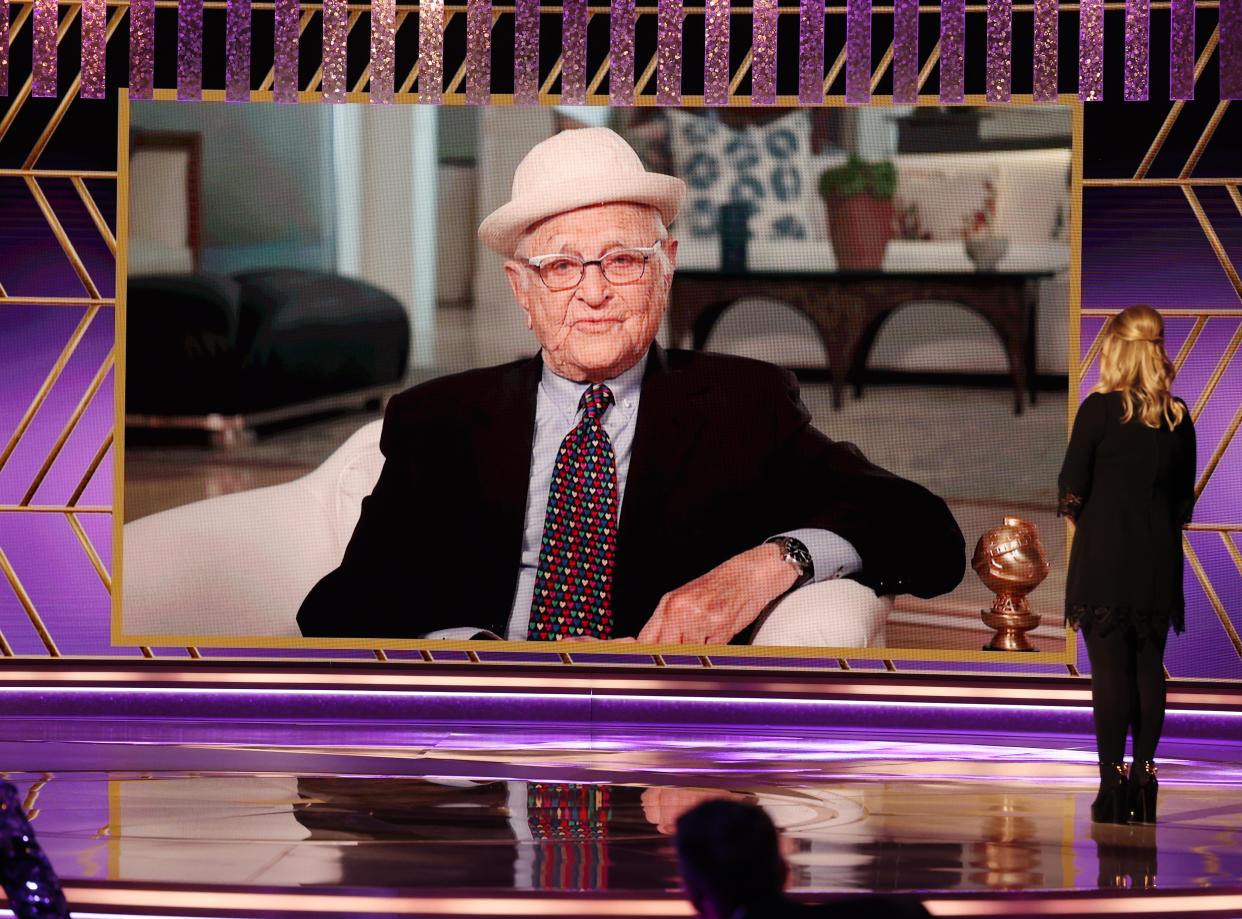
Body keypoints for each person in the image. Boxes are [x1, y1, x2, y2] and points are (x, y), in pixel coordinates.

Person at [297, 127, 965, 645]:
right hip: (476, 746)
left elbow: (923, 529)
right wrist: (487, 663)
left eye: (621, 259)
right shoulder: (437, 417)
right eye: (560, 265)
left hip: (659, 749)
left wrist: (771, 561)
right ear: (522, 290)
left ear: (665, 267)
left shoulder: (743, 404)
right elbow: (342, 607)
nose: (593, 292)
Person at [1058, 304, 1196, 825]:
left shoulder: (1098, 409)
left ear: (1115, 347)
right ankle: (1144, 775)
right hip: (1157, 558)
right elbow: (1183, 502)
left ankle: (1110, 783)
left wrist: (1093, 531)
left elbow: (1072, 491)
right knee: (1147, 669)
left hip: (1105, 558)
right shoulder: (1178, 416)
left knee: (1109, 673)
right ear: (1158, 350)